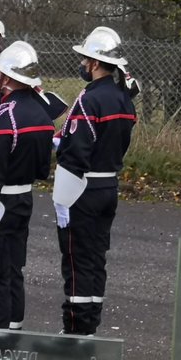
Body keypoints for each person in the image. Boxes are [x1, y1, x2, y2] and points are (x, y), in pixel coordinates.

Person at [0, 42, 57, 329]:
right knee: (14, 267)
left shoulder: (4, 115)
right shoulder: (43, 114)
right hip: (23, 198)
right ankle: (14, 329)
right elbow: (42, 169)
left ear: (5, 78)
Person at [53, 26, 138, 336]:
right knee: (96, 258)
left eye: (85, 60)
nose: (83, 65)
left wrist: (62, 197)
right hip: (108, 184)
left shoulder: (89, 100)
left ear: (93, 63)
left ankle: (75, 330)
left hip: (83, 188)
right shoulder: (123, 98)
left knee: (76, 258)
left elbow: (76, 151)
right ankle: (89, 325)